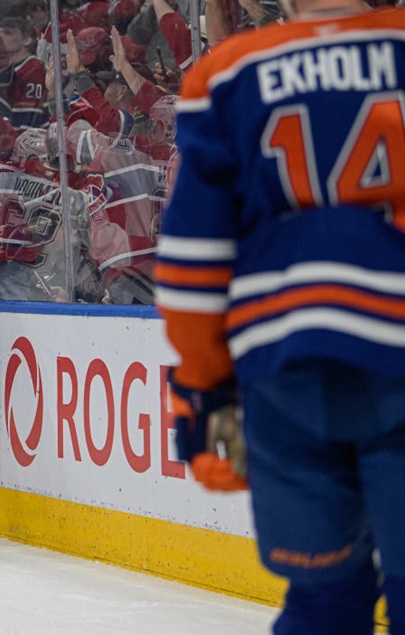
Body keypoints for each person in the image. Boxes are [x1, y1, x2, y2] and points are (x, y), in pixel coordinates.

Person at [156, 1, 405, 633]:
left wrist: (203, 389)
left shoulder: (228, 73)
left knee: (323, 598)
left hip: (282, 369)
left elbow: (192, 261)